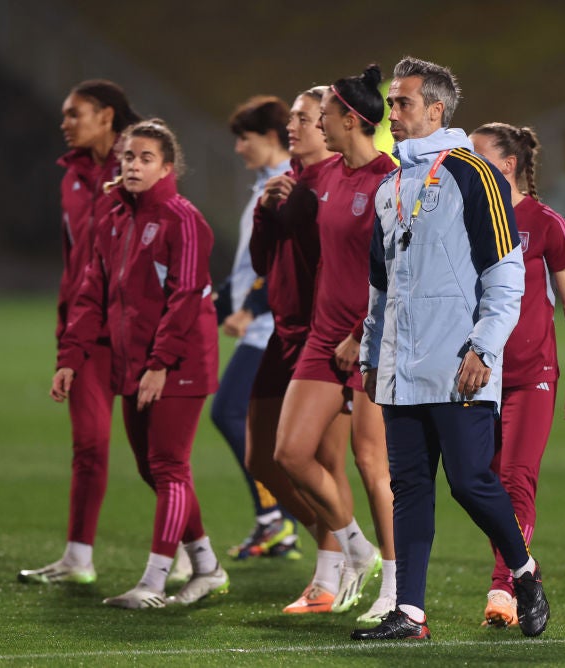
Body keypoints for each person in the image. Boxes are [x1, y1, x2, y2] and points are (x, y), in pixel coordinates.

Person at [352, 56, 550, 641]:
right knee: (409, 486)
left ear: (435, 110)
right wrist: (370, 353)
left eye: (403, 103)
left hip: (458, 364)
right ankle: (410, 613)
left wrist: (484, 350)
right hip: (399, 368)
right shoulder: (391, 184)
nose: (393, 113)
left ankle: (525, 573)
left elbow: (506, 274)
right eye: (391, 103)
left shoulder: (473, 173)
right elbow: (380, 287)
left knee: (471, 482)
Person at [51, 119, 228, 608]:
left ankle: (153, 581)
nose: (133, 165)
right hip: (136, 362)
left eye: (146, 158)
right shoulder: (113, 216)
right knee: (153, 470)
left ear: (167, 167)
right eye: (128, 157)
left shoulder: (183, 218)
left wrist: (160, 364)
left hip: (180, 362)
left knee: (169, 466)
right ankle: (208, 566)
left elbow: (186, 293)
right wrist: (72, 356)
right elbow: (92, 291)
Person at [272, 65, 398, 624]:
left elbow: (399, 275)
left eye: (323, 111)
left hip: (372, 340)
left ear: (350, 118)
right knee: (289, 454)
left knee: (371, 463)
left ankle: (394, 587)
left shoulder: (388, 181)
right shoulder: (325, 177)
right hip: (324, 337)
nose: (315, 119)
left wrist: (359, 336)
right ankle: (356, 548)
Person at [19, 80, 141, 586]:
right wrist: (67, 330)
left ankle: (190, 551)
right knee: (89, 443)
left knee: (158, 454)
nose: (65, 122)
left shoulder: (140, 160)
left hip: (138, 329)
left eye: (75, 114)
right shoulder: (70, 176)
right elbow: (76, 262)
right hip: (87, 328)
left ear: (106, 115)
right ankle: (78, 557)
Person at [469, 122, 565, 628]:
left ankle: (505, 588)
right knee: (483, 484)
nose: (466, 162)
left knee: (517, 480)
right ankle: (525, 570)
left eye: (477, 154)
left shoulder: (544, 222)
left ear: (509, 164)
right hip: (478, 373)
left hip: (533, 373)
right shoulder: (465, 216)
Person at [244, 87, 350, 615]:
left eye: (305, 118)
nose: (294, 125)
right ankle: (350, 549)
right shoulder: (288, 178)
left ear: (327, 126)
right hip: (279, 331)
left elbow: (332, 258)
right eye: (292, 118)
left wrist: (299, 209)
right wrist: (269, 212)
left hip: (320, 334)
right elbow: (264, 263)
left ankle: (331, 575)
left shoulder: (335, 177)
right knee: (261, 456)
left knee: (324, 458)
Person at [214, 95, 299, 560]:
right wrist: (215, 302)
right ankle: (279, 519)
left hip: (274, 328)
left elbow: (286, 260)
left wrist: (251, 305)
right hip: (259, 325)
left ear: (268, 137)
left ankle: (286, 518)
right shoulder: (263, 186)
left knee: (231, 413)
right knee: (257, 428)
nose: (237, 148)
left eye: (243, 138)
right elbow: (251, 266)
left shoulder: (287, 185)